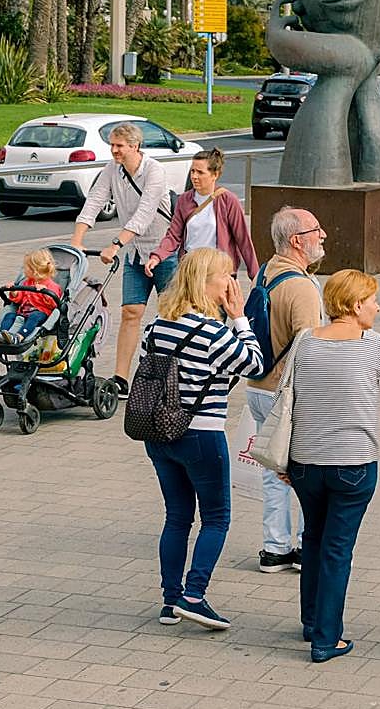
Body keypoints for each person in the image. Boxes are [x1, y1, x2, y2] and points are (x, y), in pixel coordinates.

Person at [286, 270, 380, 662]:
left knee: (313, 537)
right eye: (373, 300)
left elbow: (286, 395)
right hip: (353, 462)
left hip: (305, 460)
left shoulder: (305, 341)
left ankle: (311, 620)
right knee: (337, 548)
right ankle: (326, 639)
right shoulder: (371, 343)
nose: (378, 307)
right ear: (356, 305)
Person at [142, 248, 265, 629]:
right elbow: (254, 364)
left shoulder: (157, 326)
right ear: (204, 283)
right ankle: (194, 596)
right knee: (216, 518)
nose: (232, 283)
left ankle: (170, 600)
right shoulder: (212, 333)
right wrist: (241, 319)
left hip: (160, 433)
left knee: (177, 516)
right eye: (226, 276)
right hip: (202, 435)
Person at [246, 207, 326, 574]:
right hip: (287, 394)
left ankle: (275, 547)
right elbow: (311, 351)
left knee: (273, 470)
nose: (323, 235)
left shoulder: (265, 272)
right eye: (316, 230)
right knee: (306, 473)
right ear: (297, 241)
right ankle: (308, 547)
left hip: (258, 387)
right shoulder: (302, 287)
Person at [70, 122, 174, 399]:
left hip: (163, 251)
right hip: (135, 254)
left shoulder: (154, 171)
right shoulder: (112, 170)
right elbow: (93, 202)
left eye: (119, 146)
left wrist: (115, 244)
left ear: (135, 146)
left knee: (172, 316)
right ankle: (121, 378)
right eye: (112, 145)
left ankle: (171, 376)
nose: (114, 150)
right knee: (131, 312)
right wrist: (76, 242)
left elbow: (145, 213)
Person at [147, 148, 259, 280]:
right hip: (191, 270)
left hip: (218, 272)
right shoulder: (184, 200)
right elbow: (173, 235)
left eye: (200, 172)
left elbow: (243, 240)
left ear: (215, 175)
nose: (194, 176)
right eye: (193, 171)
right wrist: (157, 256)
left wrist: (255, 276)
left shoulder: (228, 200)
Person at [0, 248, 63, 343]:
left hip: (40, 314)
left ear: (35, 270)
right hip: (22, 313)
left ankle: (19, 336)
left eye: (26, 267)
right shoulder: (27, 283)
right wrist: (14, 291)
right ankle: (2, 335)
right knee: (9, 315)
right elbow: (19, 299)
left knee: (34, 316)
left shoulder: (52, 286)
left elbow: (54, 305)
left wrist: (45, 293)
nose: (23, 270)